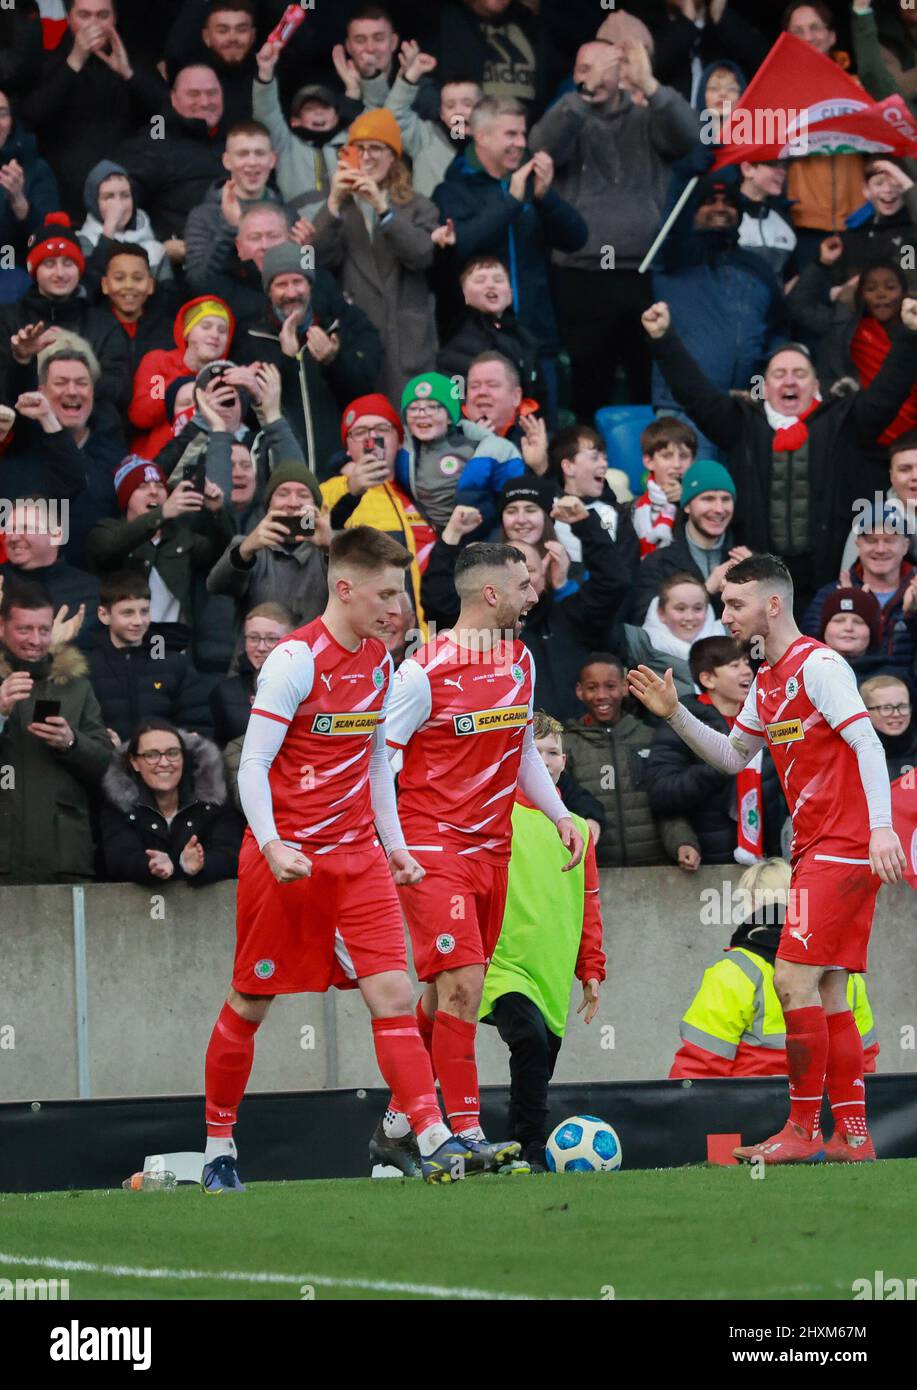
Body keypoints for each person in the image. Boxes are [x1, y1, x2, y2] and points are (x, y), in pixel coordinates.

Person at [203, 526, 490, 1190]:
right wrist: (272, 842)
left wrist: (393, 849)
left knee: (392, 992)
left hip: (357, 857)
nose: (397, 609)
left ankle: (431, 1135)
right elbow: (252, 763)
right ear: (344, 588)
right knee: (250, 1002)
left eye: (402, 593)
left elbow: (372, 771)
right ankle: (219, 1145)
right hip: (287, 858)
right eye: (386, 593)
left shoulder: (380, 664)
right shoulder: (294, 661)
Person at [628, 552, 906, 1163]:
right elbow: (732, 757)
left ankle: (802, 1129)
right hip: (815, 848)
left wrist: (882, 830)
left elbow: (865, 738)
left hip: (846, 845)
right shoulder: (770, 678)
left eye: (733, 604)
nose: (723, 614)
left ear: (772, 605)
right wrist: (675, 713)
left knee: (789, 977)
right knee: (830, 987)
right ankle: (852, 1136)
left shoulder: (819, 665)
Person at [370, 540, 584, 1179]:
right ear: (492, 594)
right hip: (433, 847)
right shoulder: (420, 673)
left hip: (494, 849)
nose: (534, 592)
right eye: (524, 584)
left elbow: (518, 746)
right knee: (465, 986)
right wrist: (395, 846)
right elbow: (381, 758)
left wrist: (558, 813)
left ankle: (399, 1125)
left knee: (443, 998)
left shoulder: (520, 660)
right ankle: (463, 1130)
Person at [642, 297, 917, 610]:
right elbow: (695, 394)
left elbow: (887, 394)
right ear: (765, 386)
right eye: (779, 374)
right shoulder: (742, 422)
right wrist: (663, 338)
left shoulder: (844, 420)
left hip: (829, 584)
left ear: (815, 383)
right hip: (760, 585)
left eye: (799, 374)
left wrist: (910, 335)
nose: (789, 380)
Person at [529, 37, 699, 419]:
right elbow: (540, 147)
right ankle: (586, 470)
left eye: (607, 66)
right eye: (586, 67)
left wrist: (650, 85)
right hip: (582, 273)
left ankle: (649, 466)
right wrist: (582, 94)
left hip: (642, 269)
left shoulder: (648, 117)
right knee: (590, 383)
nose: (597, 75)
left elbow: (690, 137)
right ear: (575, 74)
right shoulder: (567, 114)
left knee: (647, 378)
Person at [479, 711, 605, 1173]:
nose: (545, 761)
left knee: (539, 1058)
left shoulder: (576, 830)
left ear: (564, 762)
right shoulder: (493, 814)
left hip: (551, 968)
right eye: (535, 752)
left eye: (553, 753)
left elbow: (589, 905)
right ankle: (530, 1149)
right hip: (501, 963)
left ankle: (515, 1151)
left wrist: (591, 970)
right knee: (528, 1039)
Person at [433, 95, 588, 422]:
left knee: (542, 434)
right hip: (476, 344)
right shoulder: (453, 189)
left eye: (522, 134)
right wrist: (513, 202)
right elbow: (462, 245)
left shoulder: (529, 184)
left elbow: (577, 238)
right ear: (482, 136)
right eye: (511, 135)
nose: (521, 143)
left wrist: (546, 199)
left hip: (536, 338)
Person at [669, 858, 878, 1078]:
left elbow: (698, 1069)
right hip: (826, 1110)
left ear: (749, 906)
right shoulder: (844, 974)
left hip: (751, 1110)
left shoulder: (735, 971)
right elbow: (862, 1066)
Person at [309, 108, 442, 402]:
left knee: (414, 420)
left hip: (407, 341)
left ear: (393, 156)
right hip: (359, 339)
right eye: (359, 149)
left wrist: (384, 210)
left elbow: (422, 254)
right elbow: (311, 261)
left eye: (376, 148)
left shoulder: (419, 206)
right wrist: (332, 202)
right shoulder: (338, 210)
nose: (367, 157)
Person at [233, 242, 383, 474]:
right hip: (282, 479)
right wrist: (287, 359)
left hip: (340, 474)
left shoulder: (338, 329)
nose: (292, 293)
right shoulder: (251, 338)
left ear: (310, 286)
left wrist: (333, 361)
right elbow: (250, 415)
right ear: (268, 291)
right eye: (281, 284)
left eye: (298, 282)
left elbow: (364, 394)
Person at [0, 578, 112, 884]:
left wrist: (72, 742)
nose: (36, 640)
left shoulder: (77, 685)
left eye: (44, 630)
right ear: (1, 627)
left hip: (65, 855)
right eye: (24, 629)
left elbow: (107, 766)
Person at [645, 635, 785, 865]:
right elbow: (662, 793)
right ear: (708, 679)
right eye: (734, 665)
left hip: (766, 860)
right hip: (709, 862)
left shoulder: (765, 717)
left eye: (746, 663)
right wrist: (722, 764)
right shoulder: (681, 722)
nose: (747, 671)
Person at [19, 0, 165, 221]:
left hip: (126, 185)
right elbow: (30, 117)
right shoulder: (49, 61)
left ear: (114, 19)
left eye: (102, 15)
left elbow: (169, 113)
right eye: (84, 15)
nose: (93, 24)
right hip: (65, 188)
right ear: (69, 19)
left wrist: (128, 74)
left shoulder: (135, 59)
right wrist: (74, 62)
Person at [0, 211, 133, 434]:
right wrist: (22, 360)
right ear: (34, 270)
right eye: (49, 264)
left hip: (92, 436)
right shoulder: (8, 319)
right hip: (24, 437)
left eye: (68, 263)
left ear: (80, 269)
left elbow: (119, 389)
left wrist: (72, 387)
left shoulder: (103, 324)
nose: (60, 273)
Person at [563, 652, 696, 870]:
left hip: (654, 870)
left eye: (610, 686)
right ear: (579, 691)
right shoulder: (565, 745)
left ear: (625, 687)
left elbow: (666, 801)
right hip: (593, 869)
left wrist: (683, 842)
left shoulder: (650, 737)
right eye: (592, 687)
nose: (601, 695)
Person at [2, 339, 123, 572]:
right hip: (18, 589)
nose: (72, 391)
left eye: (81, 383)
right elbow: (16, 393)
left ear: (93, 392)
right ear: (41, 394)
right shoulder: (16, 450)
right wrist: (23, 361)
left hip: (91, 587)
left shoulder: (115, 457)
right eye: (60, 382)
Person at [321, 394, 436, 633]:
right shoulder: (329, 490)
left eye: (382, 429)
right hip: (370, 639)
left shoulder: (421, 490)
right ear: (348, 447)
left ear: (399, 440)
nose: (371, 438)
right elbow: (307, 532)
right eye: (360, 432)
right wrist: (351, 491)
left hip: (427, 638)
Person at [88, 455, 233, 637]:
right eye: (142, 487)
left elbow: (225, 559)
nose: (153, 492)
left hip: (172, 643)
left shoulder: (181, 537)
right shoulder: (107, 530)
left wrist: (217, 512)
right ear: (126, 497)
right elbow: (108, 548)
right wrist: (162, 513)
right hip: (124, 645)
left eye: (159, 486)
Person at [789, 249, 917, 447]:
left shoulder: (913, 333)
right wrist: (822, 264)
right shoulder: (841, 327)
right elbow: (800, 307)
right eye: (871, 288)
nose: (881, 294)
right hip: (860, 436)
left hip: (911, 439)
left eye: (890, 287)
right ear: (860, 295)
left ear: (904, 293)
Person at [100, 717, 243, 885]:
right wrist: (150, 865)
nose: (164, 762)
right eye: (151, 755)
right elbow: (118, 858)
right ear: (134, 762)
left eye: (173, 753)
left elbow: (231, 854)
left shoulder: (213, 797)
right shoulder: (118, 801)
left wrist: (201, 864)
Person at [88, 571, 213, 744]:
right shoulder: (87, 667)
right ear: (104, 615)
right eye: (128, 613)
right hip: (105, 766)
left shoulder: (174, 664)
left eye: (144, 611)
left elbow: (198, 725)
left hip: (163, 765)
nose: (138, 621)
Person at [206, 459, 330, 630]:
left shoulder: (332, 547)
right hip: (259, 653)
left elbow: (356, 588)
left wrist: (331, 547)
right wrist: (245, 551)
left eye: (303, 495)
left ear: (316, 506)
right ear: (269, 505)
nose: (293, 503)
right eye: (283, 494)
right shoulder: (248, 546)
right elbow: (216, 586)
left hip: (315, 653)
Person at [395, 370, 524, 532]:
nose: (422, 415)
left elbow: (512, 496)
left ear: (450, 416)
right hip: (431, 537)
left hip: (479, 535)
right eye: (413, 408)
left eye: (433, 407)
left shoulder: (475, 448)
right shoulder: (403, 453)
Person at [803, 502, 917, 683]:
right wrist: (846, 608)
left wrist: (910, 614)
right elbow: (808, 653)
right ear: (858, 545)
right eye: (871, 540)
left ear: (905, 545)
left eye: (889, 540)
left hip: (905, 704)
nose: (880, 549)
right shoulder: (831, 594)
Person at [117, 64, 227, 245]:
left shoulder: (237, 138)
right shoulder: (154, 142)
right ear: (174, 99)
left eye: (212, 93)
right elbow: (121, 204)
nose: (205, 102)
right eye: (193, 94)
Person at [360, 40, 480, 199]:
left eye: (467, 104)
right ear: (442, 114)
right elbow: (392, 117)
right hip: (431, 222)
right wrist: (413, 73)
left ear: (484, 108)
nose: (458, 112)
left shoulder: (496, 141)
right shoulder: (426, 138)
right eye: (450, 106)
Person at [129, 295, 235, 460]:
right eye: (206, 326)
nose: (215, 334)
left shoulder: (228, 377)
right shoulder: (158, 361)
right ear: (187, 332)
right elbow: (140, 415)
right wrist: (183, 385)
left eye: (223, 330)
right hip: (156, 467)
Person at [183, 119, 284, 289]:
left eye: (259, 153)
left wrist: (303, 253)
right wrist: (229, 228)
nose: (252, 162)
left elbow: (307, 277)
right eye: (243, 154)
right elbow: (198, 282)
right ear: (227, 161)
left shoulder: (286, 212)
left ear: (272, 160)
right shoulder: (204, 216)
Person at [252, 39, 353, 206]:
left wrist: (353, 88)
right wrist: (265, 73)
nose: (319, 112)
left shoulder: (352, 141)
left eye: (325, 107)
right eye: (310, 108)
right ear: (295, 121)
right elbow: (267, 111)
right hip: (302, 229)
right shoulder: (285, 145)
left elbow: (377, 118)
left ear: (336, 117)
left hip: (351, 227)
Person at [436, 255, 542, 405]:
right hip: (463, 423)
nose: (491, 285)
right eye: (480, 280)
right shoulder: (454, 324)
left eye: (499, 280)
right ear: (463, 294)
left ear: (510, 294)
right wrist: (445, 250)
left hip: (512, 424)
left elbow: (538, 396)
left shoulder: (525, 339)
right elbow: (443, 282)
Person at [1, 496, 102, 651]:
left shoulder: (90, 590)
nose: (13, 537)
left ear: (56, 535)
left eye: (25, 528)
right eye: (9, 530)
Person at [619, 572, 726, 699]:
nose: (689, 617)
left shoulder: (729, 636)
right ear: (661, 613)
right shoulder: (641, 644)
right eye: (680, 609)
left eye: (698, 608)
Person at [0, 87, 61, 297]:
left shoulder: (34, 168)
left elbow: (51, 238)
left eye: (2, 114)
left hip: (13, 272)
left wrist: (19, 202)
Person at [209, 601, 293, 747]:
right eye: (253, 638)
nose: (261, 647)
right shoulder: (224, 692)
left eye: (272, 639)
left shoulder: (310, 686)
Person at [77, 160, 168, 290]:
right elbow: (90, 289)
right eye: (108, 197)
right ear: (94, 202)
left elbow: (167, 298)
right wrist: (109, 229)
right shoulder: (83, 242)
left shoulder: (155, 248)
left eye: (125, 196)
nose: (118, 205)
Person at [631, 416, 697, 558]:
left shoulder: (703, 504)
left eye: (684, 456)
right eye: (667, 456)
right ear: (649, 461)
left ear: (693, 461)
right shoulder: (632, 509)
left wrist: (684, 501)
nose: (677, 464)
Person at [736, 160, 798, 280]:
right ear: (747, 169)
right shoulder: (723, 215)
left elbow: (791, 278)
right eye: (774, 165)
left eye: (785, 166)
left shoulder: (784, 219)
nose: (782, 172)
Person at [860, 674, 916, 780]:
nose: (896, 714)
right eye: (886, 708)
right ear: (865, 711)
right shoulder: (856, 757)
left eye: (902, 706)